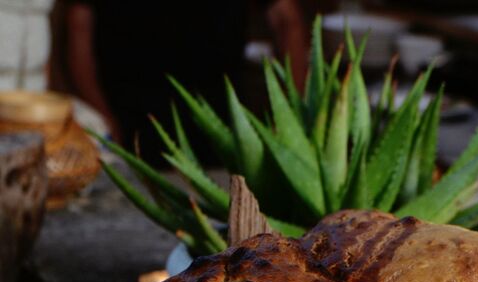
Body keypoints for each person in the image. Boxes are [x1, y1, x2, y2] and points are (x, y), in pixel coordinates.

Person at [61, 0, 309, 163]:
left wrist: (287, 120)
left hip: (222, 130)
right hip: (129, 129)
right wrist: (101, 117)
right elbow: (78, 25)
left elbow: (287, 21)